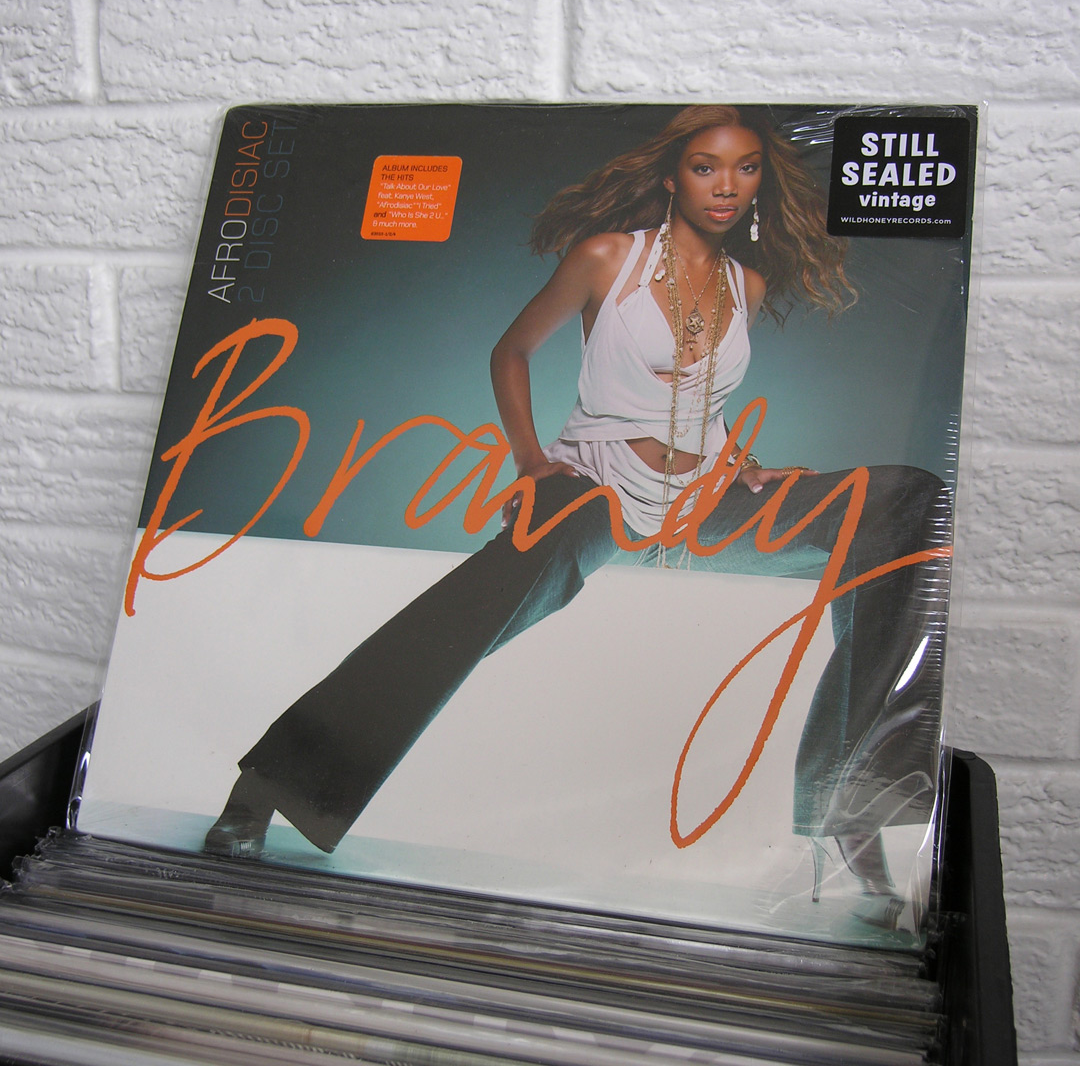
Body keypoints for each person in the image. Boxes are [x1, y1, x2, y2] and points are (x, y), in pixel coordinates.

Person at [205, 106, 950, 927]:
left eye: (745, 169)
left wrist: (742, 460)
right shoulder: (608, 258)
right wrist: (531, 460)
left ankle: (851, 802)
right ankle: (268, 785)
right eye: (705, 166)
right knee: (472, 609)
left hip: (705, 498)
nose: (726, 186)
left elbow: (700, 398)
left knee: (908, 502)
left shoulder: (748, 285)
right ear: (673, 176)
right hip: (599, 482)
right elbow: (512, 351)